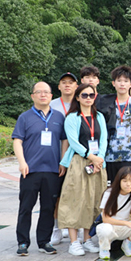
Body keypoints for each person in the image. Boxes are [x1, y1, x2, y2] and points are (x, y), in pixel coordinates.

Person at [13, 82, 68, 256]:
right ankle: (23, 242)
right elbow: (17, 141)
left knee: (48, 208)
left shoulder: (59, 117)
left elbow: (64, 140)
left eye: (46, 92)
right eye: (39, 92)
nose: (43, 95)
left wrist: (63, 161)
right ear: (32, 96)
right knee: (26, 207)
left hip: (52, 170)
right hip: (30, 170)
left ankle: (44, 242)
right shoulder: (25, 117)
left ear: (51, 96)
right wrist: (22, 162)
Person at [58, 84, 108, 256]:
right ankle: (74, 241)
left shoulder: (99, 116)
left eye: (91, 95)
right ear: (77, 97)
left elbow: (104, 140)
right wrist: (91, 156)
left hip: (98, 165)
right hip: (80, 162)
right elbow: (73, 142)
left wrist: (99, 159)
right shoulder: (72, 117)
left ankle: (87, 239)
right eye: (84, 95)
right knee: (75, 200)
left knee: (93, 201)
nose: (88, 98)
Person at [49, 71, 78, 245]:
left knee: (77, 194)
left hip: (78, 158)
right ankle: (57, 229)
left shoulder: (82, 103)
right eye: (64, 82)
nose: (67, 85)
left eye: (71, 82)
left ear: (76, 85)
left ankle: (77, 229)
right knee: (57, 195)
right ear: (59, 86)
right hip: (56, 157)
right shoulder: (51, 105)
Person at [96, 166, 131, 260]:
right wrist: (127, 223)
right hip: (111, 227)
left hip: (126, 228)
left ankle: (128, 243)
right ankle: (104, 248)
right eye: (124, 181)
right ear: (118, 181)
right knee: (105, 229)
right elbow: (105, 219)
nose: (128, 184)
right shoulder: (109, 193)